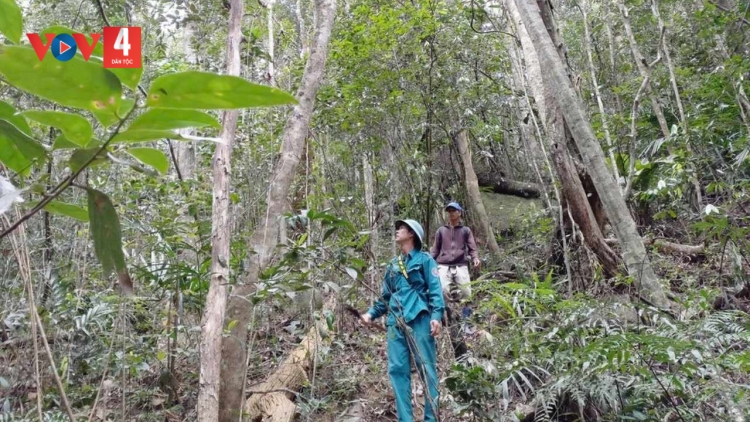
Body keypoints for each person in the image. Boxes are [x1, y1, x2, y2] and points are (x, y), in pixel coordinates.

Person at [360, 219, 445, 422]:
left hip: (420, 320)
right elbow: (385, 298)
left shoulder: (425, 261)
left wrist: (436, 317)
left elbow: (435, 291)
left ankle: (431, 419)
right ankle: (405, 419)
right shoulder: (393, 265)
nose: (398, 231)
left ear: (412, 234)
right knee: (397, 371)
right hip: (395, 323)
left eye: (402, 228)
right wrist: (370, 314)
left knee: (427, 370)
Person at [430, 202, 480, 304]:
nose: (451, 213)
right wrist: (429, 261)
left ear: (459, 212)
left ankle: (466, 315)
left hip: (460, 263)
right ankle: (447, 312)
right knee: (442, 290)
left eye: (454, 211)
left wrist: (475, 258)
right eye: (449, 211)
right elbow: (435, 249)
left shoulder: (465, 230)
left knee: (466, 292)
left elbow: (472, 247)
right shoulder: (441, 231)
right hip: (443, 264)